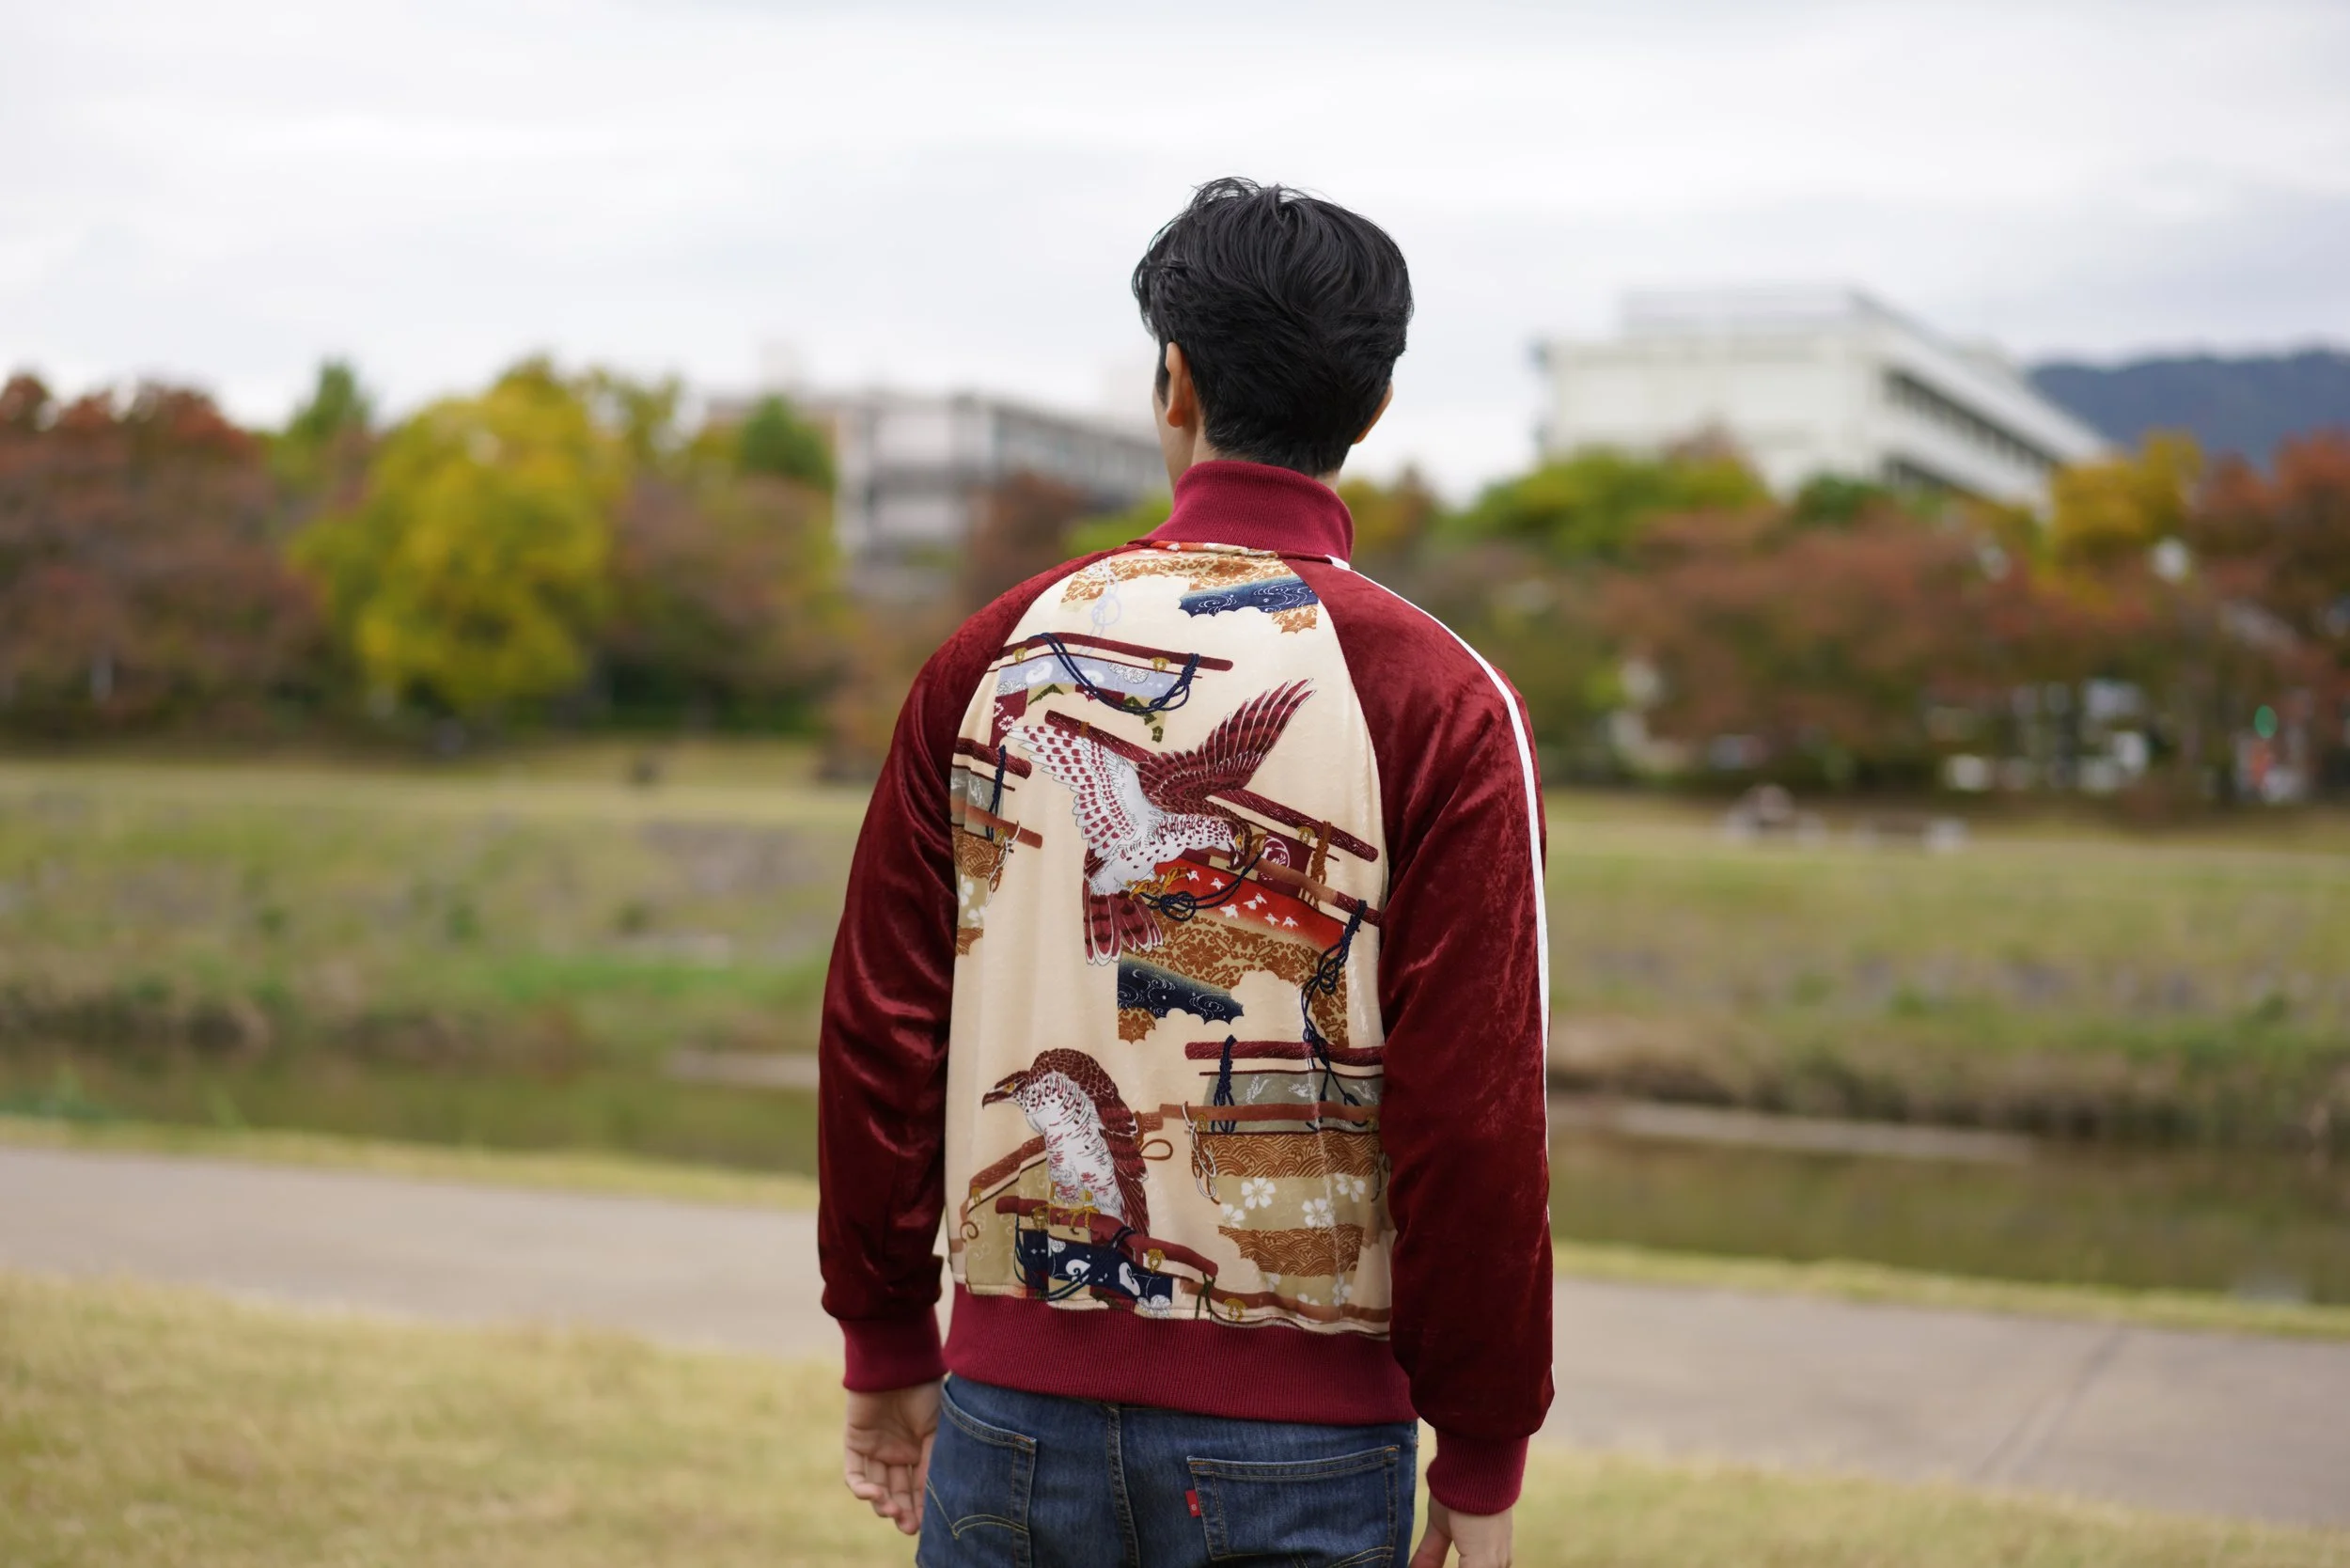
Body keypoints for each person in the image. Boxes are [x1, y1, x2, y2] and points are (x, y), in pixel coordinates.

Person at [819, 176, 1552, 1568]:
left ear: (1174, 383)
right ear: (1373, 410)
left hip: (1006, 1412)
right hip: (1308, 1442)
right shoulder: (1440, 698)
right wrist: (1486, 1443)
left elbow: (881, 1029)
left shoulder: (995, 657)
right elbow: (1475, 1108)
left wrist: (884, 1335)